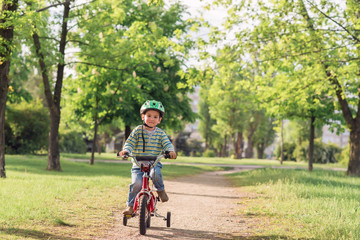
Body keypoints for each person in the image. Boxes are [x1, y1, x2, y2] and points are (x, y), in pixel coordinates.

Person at [118, 100, 177, 215]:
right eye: (148, 115)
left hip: (153, 162)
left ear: (159, 120)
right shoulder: (137, 130)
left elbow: (167, 143)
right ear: (143, 117)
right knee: (136, 184)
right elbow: (130, 142)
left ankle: (160, 190)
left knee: (155, 173)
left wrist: (170, 151)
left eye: (155, 117)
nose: (151, 118)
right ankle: (130, 206)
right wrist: (126, 150)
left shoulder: (160, 133)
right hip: (138, 163)